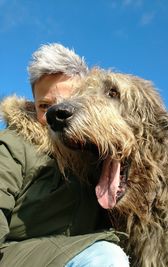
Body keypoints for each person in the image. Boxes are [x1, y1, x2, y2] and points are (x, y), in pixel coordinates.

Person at [0, 43, 129, 266]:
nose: (55, 114)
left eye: (69, 102)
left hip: (77, 250)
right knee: (107, 258)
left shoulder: (96, 152)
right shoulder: (14, 144)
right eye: (44, 105)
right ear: (33, 104)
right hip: (15, 255)